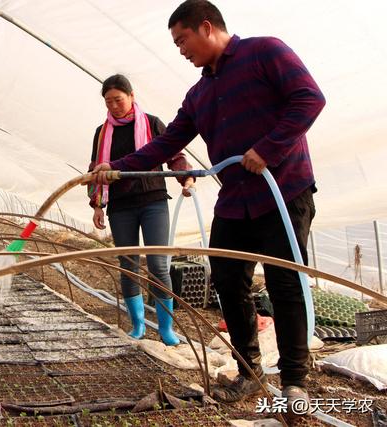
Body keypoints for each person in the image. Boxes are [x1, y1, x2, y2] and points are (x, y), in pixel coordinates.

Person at [92, 0, 325, 413]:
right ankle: (248, 372)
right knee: (228, 280)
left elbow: (309, 99)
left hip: (282, 191)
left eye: (183, 40)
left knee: (285, 283)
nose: (181, 50)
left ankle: (294, 383)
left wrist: (267, 150)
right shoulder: (200, 93)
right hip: (235, 200)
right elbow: (167, 143)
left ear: (205, 27)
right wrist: (119, 169)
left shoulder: (265, 52)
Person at [88, 74, 194, 346]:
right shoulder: (102, 134)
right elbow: (94, 172)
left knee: (159, 265)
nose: (113, 106)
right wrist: (98, 205)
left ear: (132, 96)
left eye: (118, 99)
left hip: (153, 200)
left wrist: (186, 177)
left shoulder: (151, 123)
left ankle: (166, 329)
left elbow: (175, 155)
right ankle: (137, 326)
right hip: (121, 206)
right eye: (108, 101)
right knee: (129, 265)